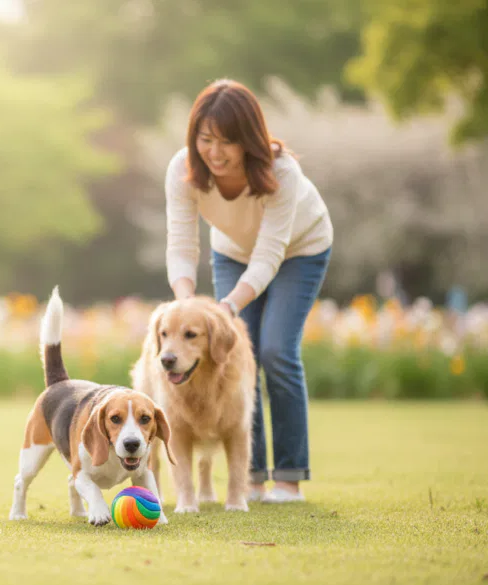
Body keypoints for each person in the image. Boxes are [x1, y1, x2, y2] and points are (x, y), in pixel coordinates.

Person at [163, 79, 333, 503]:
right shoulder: (183, 170)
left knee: (275, 350)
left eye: (228, 141)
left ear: (249, 139)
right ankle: (251, 480)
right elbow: (181, 244)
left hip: (300, 250)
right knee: (236, 357)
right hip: (232, 252)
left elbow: (269, 255)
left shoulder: (282, 171)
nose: (215, 152)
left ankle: (289, 480)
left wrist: (227, 307)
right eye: (206, 139)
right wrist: (186, 303)